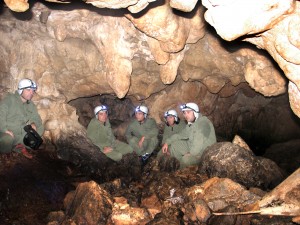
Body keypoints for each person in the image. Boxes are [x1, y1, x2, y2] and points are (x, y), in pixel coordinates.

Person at [161, 102, 216, 168]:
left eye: (188, 112)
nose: (186, 115)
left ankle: (180, 172)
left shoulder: (203, 123)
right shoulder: (191, 124)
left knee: (186, 159)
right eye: (184, 113)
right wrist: (167, 142)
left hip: (203, 153)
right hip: (192, 146)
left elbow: (198, 145)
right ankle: (178, 165)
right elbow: (180, 135)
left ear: (195, 112)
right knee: (175, 146)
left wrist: (190, 154)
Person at [0, 78, 44, 159]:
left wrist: (34, 123)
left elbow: (36, 118)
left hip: (21, 132)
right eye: (28, 90)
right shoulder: (9, 100)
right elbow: (0, 115)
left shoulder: (30, 104)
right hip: (6, 131)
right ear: (21, 90)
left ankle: (17, 146)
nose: (31, 93)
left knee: (40, 128)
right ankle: (9, 150)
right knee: (7, 139)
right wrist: (5, 129)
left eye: (33, 91)